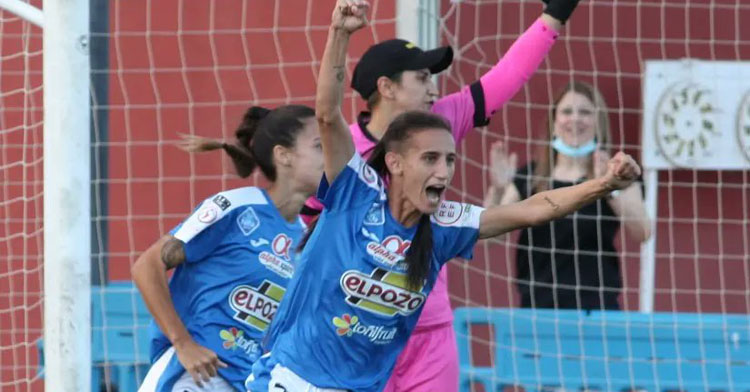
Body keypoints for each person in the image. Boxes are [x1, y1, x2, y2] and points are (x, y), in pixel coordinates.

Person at [246, 2, 641, 391]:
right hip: (309, 359)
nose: (445, 169)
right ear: (395, 161)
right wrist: (340, 33)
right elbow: (325, 116)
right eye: (421, 77)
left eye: (449, 159)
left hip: (415, 339)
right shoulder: (349, 174)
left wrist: (603, 183)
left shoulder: (444, 162)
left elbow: (533, 208)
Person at [132, 104, 323, 391]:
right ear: (283, 155)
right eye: (320, 146)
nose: (332, 156)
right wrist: (183, 344)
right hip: (195, 376)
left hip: (246, 383)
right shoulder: (237, 207)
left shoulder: (305, 240)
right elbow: (146, 266)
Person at [484, 81, 651, 310]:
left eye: (585, 112)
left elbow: (642, 231)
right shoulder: (531, 177)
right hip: (537, 306)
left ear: (598, 123)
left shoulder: (620, 172)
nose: (575, 119)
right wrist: (499, 189)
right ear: (554, 122)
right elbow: (489, 236)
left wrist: (610, 185)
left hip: (596, 307)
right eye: (567, 111)